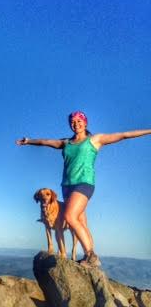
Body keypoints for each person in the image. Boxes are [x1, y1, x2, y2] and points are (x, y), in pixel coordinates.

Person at [16, 111, 151, 267]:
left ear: (85, 123)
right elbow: (46, 142)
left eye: (79, 121)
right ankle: (91, 259)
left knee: (70, 216)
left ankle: (90, 256)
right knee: (81, 222)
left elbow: (124, 135)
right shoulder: (66, 143)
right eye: (72, 122)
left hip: (84, 184)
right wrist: (29, 141)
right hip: (67, 186)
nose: (76, 124)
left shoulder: (94, 140)